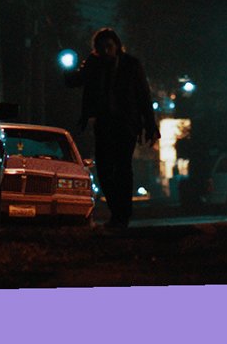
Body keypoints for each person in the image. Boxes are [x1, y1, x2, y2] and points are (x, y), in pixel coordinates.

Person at [66, 28, 160, 229]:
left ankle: (122, 215)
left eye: (109, 46)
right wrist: (68, 69)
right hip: (104, 122)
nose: (106, 50)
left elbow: (143, 95)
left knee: (123, 167)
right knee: (104, 169)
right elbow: (75, 81)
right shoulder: (94, 64)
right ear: (97, 49)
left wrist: (150, 125)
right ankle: (118, 211)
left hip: (126, 124)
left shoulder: (131, 65)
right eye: (101, 47)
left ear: (117, 46)